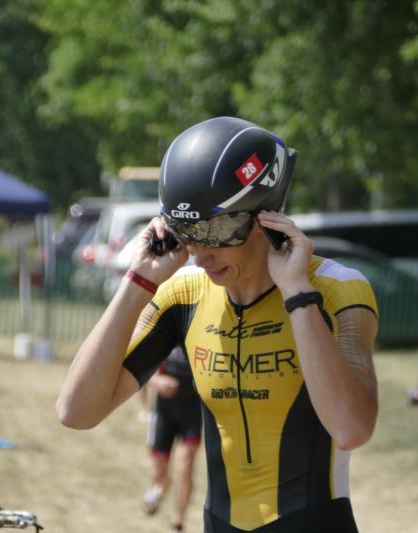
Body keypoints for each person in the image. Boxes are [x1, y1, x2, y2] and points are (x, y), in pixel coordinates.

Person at [57, 116, 379, 533]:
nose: (199, 252)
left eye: (218, 229)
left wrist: (297, 292)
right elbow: (76, 411)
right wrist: (138, 282)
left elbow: (352, 429)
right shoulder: (184, 294)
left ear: (267, 216)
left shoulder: (337, 290)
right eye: (186, 230)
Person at [142, 345, 202, 533]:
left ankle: (178, 522)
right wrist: (155, 381)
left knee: (185, 465)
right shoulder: (165, 331)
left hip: (192, 408)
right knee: (157, 471)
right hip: (164, 410)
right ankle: (162, 486)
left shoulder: (202, 332)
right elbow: (141, 367)